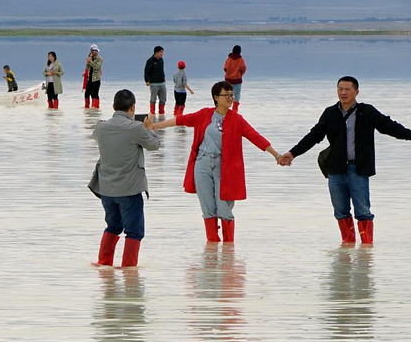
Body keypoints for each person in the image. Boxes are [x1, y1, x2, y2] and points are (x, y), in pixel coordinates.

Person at [281, 76, 411, 246]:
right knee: (340, 211)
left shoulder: (367, 111)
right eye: (340, 89)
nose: (343, 93)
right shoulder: (330, 113)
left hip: (358, 169)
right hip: (335, 170)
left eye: (347, 89)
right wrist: (292, 153)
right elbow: (313, 136)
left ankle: (366, 249)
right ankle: (347, 248)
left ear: (356, 92)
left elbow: (389, 126)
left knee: (363, 211)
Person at [154, 81, 283, 243]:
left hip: (225, 167)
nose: (230, 98)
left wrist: (276, 155)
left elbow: (255, 137)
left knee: (224, 207)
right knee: (208, 207)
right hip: (202, 164)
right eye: (226, 95)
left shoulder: (237, 119)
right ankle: (212, 251)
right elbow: (180, 120)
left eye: (231, 95)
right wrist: (157, 126)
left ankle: (229, 250)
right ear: (216, 97)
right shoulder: (204, 114)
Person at [89, 89, 161, 267]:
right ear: (133, 108)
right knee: (134, 232)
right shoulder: (136, 128)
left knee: (112, 227)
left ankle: (104, 265)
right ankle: (129, 271)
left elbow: (98, 137)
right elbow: (154, 145)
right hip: (129, 190)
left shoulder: (101, 126)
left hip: (106, 189)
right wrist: (149, 128)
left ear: (114, 106)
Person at [143, 46, 166, 117]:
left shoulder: (161, 60)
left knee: (163, 99)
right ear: (156, 52)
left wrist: (164, 77)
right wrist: (146, 80)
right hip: (153, 84)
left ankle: (161, 113)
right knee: (153, 99)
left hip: (162, 83)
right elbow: (146, 71)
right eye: (161, 52)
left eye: (162, 52)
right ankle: (152, 113)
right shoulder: (150, 61)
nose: (162, 54)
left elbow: (162, 70)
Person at [223, 45, 247, 110]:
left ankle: (225, 109)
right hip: (237, 81)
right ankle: (234, 110)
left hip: (228, 80)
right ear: (240, 52)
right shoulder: (241, 60)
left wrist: (229, 74)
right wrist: (240, 75)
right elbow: (243, 69)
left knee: (227, 95)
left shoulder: (229, 59)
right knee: (237, 96)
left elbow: (225, 68)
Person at [84, 45, 103, 109]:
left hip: (96, 79)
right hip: (89, 78)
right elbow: (87, 66)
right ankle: (87, 107)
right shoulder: (89, 57)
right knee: (87, 93)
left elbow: (97, 67)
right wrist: (85, 72)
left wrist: (90, 62)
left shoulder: (99, 59)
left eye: (96, 51)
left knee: (95, 94)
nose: (95, 52)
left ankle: (95, 107)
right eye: (93, 50)